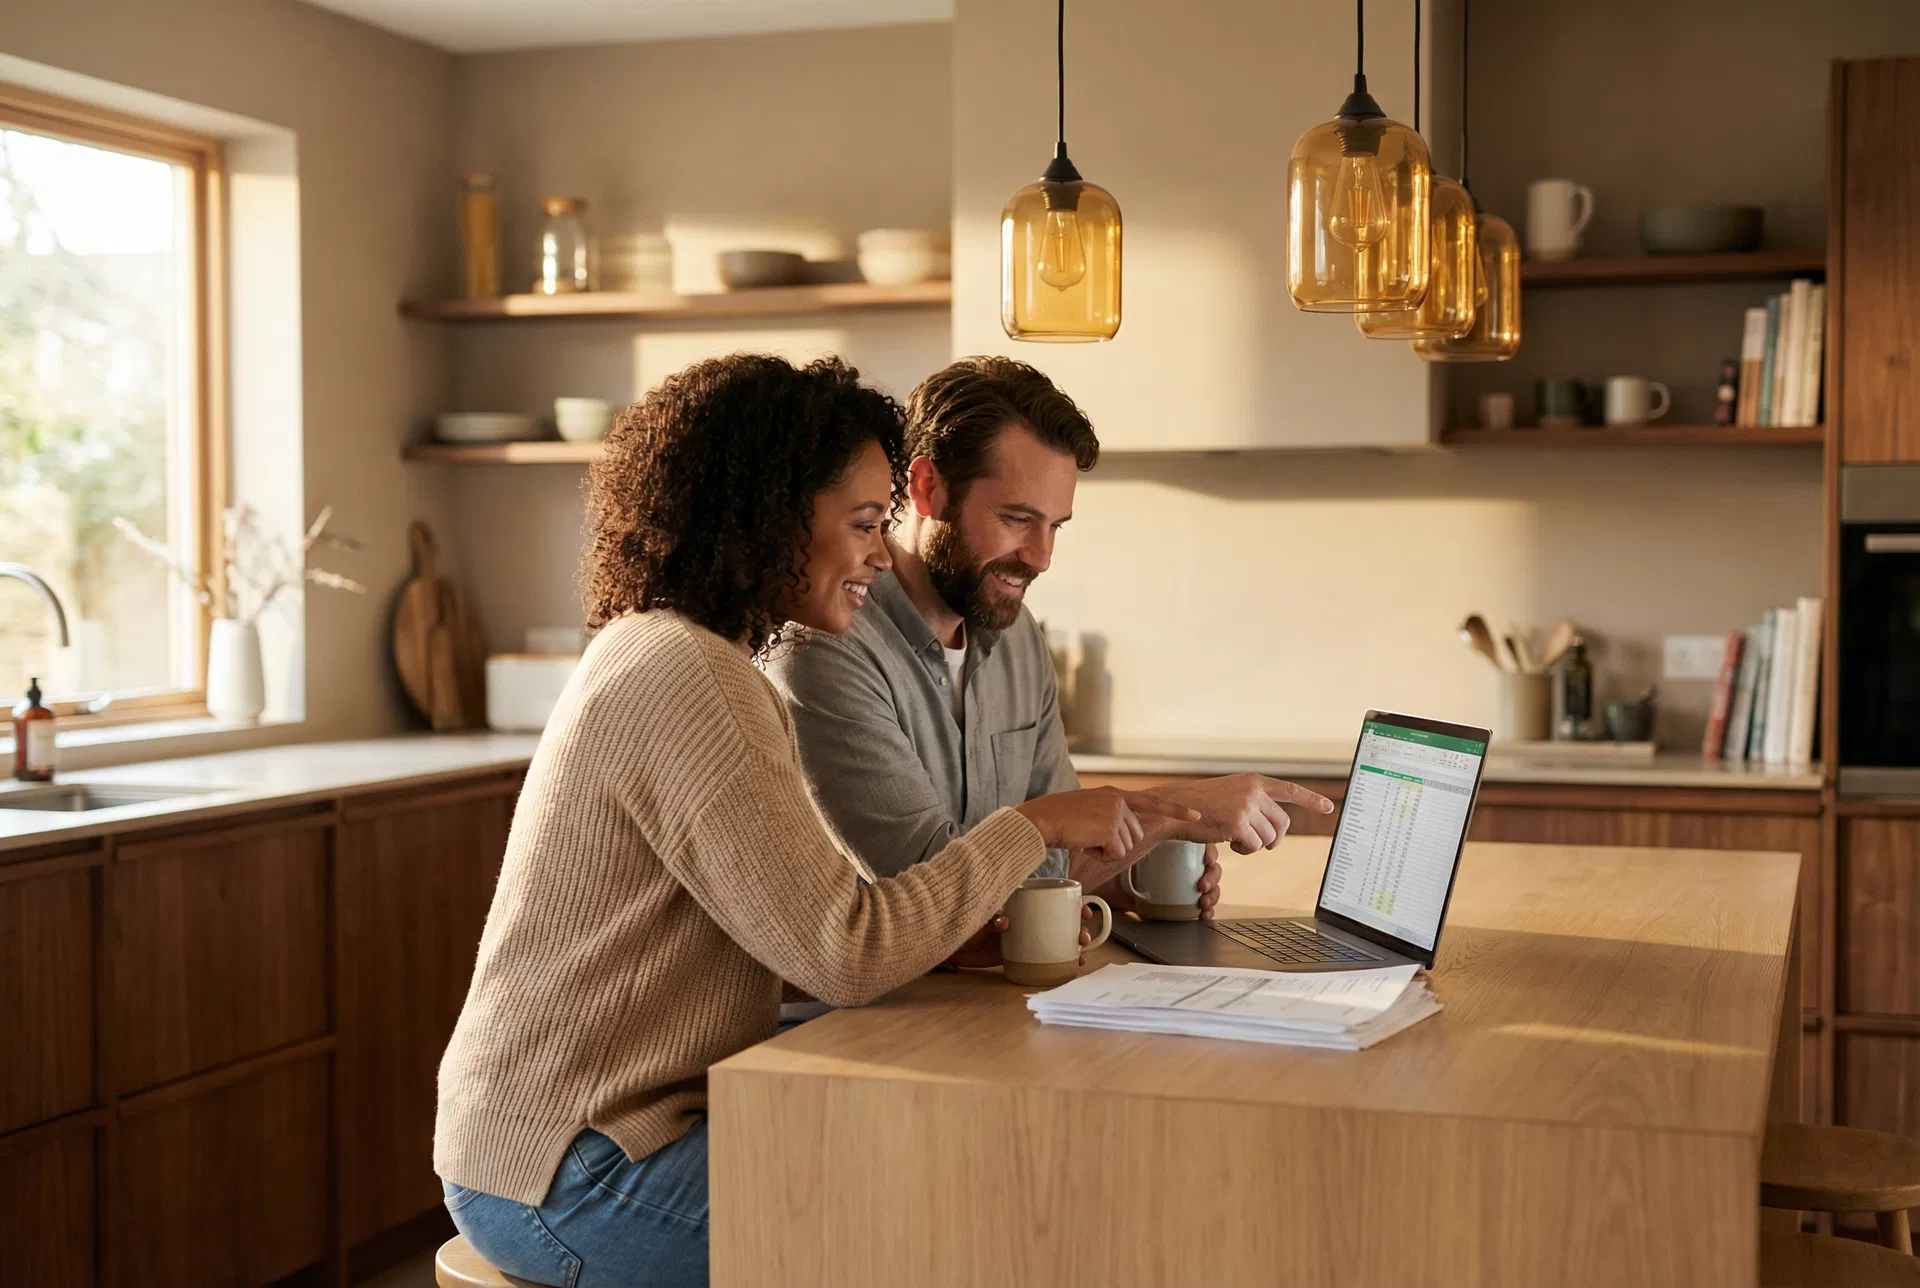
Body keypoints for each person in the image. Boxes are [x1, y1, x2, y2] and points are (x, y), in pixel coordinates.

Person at [432, 353, 1212, 1288]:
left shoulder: (675, 652)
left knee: (975, 1183)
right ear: (769, 517)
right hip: (572, 1171)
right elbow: (847, 952)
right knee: (966, 1219)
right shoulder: (694, 680)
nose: (884, 556)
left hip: (598, 1139)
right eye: (865, 524)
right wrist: (1033, 825)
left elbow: (831, 921)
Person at [765, 356, 1331, 952]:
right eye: (1017, 519)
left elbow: (1061, 858)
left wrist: (1128, 882)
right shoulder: (825, 647)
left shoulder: (1017, 638)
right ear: (928, 488)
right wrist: (1171, 807)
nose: (1040, 556)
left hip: (997, 996)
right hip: (874, 1018)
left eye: (1056, 526)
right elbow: (927, 893)